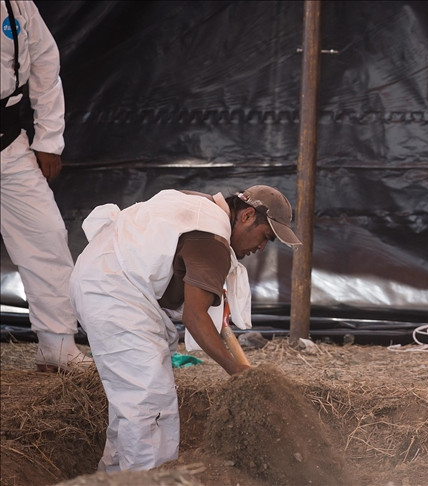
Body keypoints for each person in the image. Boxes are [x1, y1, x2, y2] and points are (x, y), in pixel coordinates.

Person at [69, 185, 302, 472]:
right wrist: (236, 371)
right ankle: (146, 480)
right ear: (247, 216)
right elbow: (194, 316)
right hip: (114, 289)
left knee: (133, 403)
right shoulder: (213, 238)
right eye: (265, 236)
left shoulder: (202, 208)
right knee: (149, 401)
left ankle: (115, 476)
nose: (261, 248)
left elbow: (177, 274)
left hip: (107, 277)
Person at [1, 0, 91, 371]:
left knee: (47, 236)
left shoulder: (17, 5)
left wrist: (48, 140)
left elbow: (44, 65)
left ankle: (57, 347)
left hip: (7, 141)